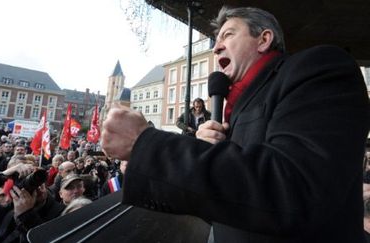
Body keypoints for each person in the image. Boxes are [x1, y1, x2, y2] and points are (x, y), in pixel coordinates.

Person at [101, 6, 370, 243]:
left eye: (228, 34)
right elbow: (236, 204)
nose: (216, 46)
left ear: (264, 39)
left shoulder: (317, 69)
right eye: (216, 40)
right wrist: (209, 151)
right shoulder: (233, 108)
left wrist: (149, 147)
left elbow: (294, 190)